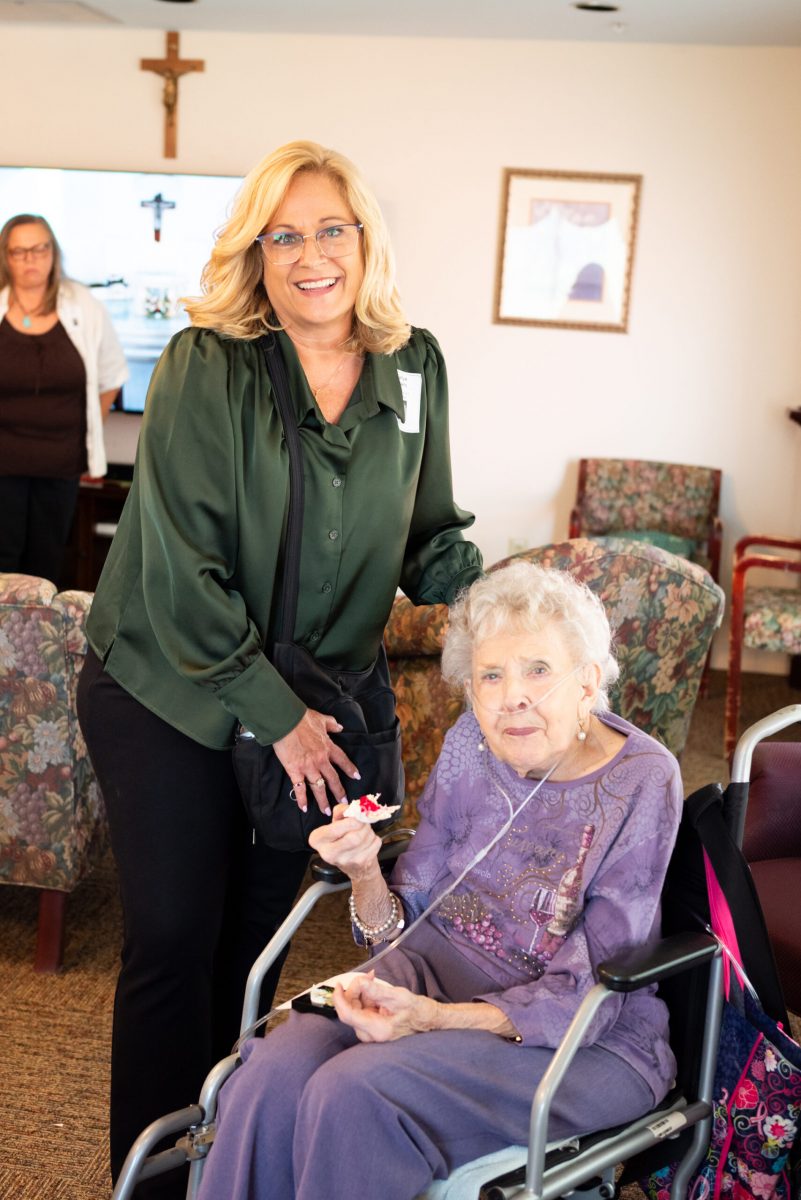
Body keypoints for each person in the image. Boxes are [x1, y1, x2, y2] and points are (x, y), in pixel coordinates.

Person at [75, 140, 483, 1195]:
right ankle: (149, 1183)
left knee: (252, 948)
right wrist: (279, 715)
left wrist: (492, 596)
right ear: (256, 253)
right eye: (284, 235)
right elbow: (182, 569)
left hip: (314, 702)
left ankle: (223, 1160)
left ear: (365, 241)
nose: (312, 256)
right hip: (171, 687)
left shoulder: (413, 366)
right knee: (176, 936)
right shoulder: (207, 364)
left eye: (331, 230)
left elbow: (427, 529)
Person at [195, 561, 684, 1200]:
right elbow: (406, 922)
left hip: (583, 1035)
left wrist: (435, 1019)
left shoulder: (642, 778)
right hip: (431, 968)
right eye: (491, 676)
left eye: (539, 670)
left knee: (355, 1092)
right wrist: (365, 869)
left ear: (587, 680)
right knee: (273, 1071)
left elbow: (594, 983)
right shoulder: (471, 740)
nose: (513, 698)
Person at [0, 213, 128, 582]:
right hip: (3, 464)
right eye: (20, 251)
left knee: (45, 562)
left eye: (40, 249)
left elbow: (112, 376)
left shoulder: (83, 304)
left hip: (61, 464)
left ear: (53, 252)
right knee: (3, 561)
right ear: (6, 257)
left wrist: (88, 433)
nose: (31, 259)